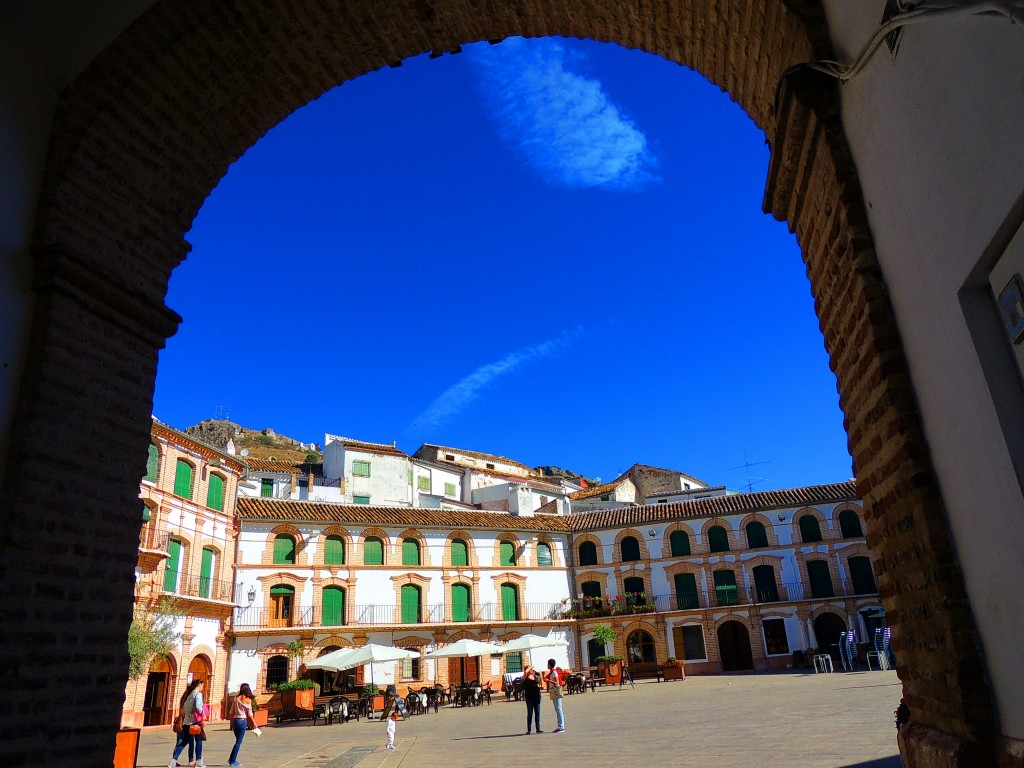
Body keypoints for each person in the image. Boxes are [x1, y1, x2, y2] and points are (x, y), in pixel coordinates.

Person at [169, 678, 205, 768]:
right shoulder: (198, 694)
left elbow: (185, 707)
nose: (202, 688)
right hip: (195, 722)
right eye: (202, 685)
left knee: (184, 742)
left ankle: (173, 761)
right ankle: (199, 762)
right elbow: (198, 706)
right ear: (199, 684)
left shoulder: (189, 694)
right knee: (199, 741)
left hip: (186, 721)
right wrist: (203, 713)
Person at [227, 683, 260, 767]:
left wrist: (231, 723)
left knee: (238, 740)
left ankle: (232, 759)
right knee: (238, 742)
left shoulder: (236, 698)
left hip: (235, 720)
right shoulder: (248, 699)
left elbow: (231, 711)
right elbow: (250, 713)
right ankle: (232, 760)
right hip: (242, 721)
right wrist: (254, 723)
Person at [543, 658, 566, 734]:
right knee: (557, 709)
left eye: (547, 664)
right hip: (554, 691)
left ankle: (561, 727)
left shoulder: (554, 672)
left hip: (556, 690)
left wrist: (548, 681)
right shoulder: (552, 672)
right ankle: (560, 726)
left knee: (559, 708)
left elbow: (556, 682)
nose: (547, 665)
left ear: (550, 664)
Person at [522, 665, 542, 734]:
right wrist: (530, 667)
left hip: (537, 696)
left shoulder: (535, 675)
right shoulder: (525, 677)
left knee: (537, 712)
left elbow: (539, 680)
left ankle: (538, 728)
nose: (531, 670)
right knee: (530, 713)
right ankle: (529, 729)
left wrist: (535, 675)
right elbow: (525, 672)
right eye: (530, 669)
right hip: (529, 697)